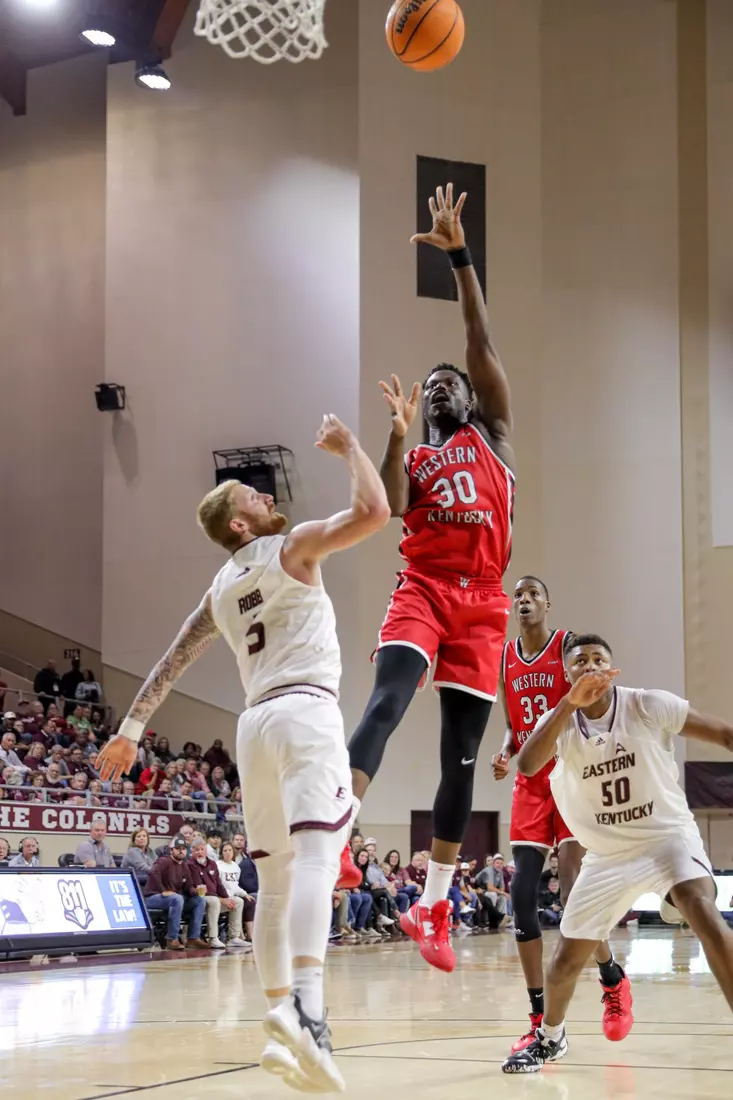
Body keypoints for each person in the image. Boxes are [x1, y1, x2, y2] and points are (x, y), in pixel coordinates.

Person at [95, 411, 390, 1094]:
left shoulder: (220, 589)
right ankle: (308, 1012)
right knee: (318, 860)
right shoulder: (292, 547)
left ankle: (280, 1017)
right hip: (305, 710)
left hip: (253, 727)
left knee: (275, 885)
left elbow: (172, 661)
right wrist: (351, 447)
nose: (262, 493)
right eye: (249, 495)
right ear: (238, 523)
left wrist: (133, 728)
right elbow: (375, 512)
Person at [347, 183, 516, 975]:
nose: (443, 383)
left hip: (483, 604)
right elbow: (384, 509)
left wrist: (460, 257)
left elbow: (477, 334)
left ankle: (434, 904)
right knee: (385, 702)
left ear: (474, 399)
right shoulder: (415, 456)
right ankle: (338, 834)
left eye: (453, 381)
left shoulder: (494, 436)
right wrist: (392, 436)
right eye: (433, 382)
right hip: (422, 587)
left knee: (460, 760)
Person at [502, 632, 733, 1073]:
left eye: (598, 659)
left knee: (702, 909)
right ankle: (550, 1038)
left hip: (666, 839)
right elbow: (528, 765)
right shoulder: (559, 721)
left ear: (611, 669)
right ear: (566, 673)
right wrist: (566, 705)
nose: (589, 666)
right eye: (579, 661)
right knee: (564, 963)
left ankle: (675, 898)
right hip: (608, 855)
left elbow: (724, 734)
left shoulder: (647, 704)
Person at [492, 577, 626, 1052]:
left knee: (574, 894)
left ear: (547, 604)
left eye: (532, 593)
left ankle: (611, 977)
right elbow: (513, 726)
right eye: (517, 595)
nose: (523, 600)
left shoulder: (567, 645)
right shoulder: (505, 657)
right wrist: (505, 751)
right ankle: (538, 1016)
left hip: (571, 771)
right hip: (531, 781)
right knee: (521, 894)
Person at [143, 835, 208, 950]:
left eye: (183, 849)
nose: (181, 851)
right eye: (177, 848)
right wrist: (163, 890)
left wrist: (196, 891)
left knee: (200, 900)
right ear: (171, 850)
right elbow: (153, 873)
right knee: (177, 898)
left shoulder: (184, 866)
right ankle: (172, 938)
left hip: (174, 899)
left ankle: (193, 938)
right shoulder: (164, 861)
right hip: (153, 898)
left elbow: (188, 887)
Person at [188, 837, 247, 949]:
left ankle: (234, 937)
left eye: (202, 849)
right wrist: (221, 899)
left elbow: (219, 885)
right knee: (214, 901)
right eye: (197, 850)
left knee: (238, 901)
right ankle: (213, 937)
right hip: (200, 900)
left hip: (216, 898)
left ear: (206, 850)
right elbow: (199, 889)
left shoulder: (212, 864)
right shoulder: (190, 865)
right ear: (192, 851)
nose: (200, 852)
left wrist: (226, 898)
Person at [217, 840, 255, 947]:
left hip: (232, 897)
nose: (227, 852)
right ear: (221, 853)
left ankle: (241, 936)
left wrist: (245, 894)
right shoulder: (217, 865)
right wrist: (223, 898)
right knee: (238, 901)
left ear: (233, 852)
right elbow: (217, 885)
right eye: (225, 850)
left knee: (248, 900)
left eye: (229, 850)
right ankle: (235, 936)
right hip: (221, 898)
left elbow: (235, 886)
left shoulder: (236, 867)